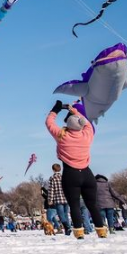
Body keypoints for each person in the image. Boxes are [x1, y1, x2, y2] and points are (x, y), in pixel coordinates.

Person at [46, 101, 106, 239]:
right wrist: (75, 112)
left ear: (68, 125)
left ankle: (79, 232)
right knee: (92, 204)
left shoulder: (62, 136)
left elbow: (49, 123)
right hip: (87, 173)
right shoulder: (87, 135)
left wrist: (55, 110)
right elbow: (87, 124)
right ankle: (101, 230)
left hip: (70, 174)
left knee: (74, 205)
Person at [45, 163, 71, 234]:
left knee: (61, 215)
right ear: (60, 169)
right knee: (66, 214)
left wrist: (50, 200)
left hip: (58, 199)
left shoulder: (52, 178)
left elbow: (51, 190)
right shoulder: (64, 177)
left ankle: (67, 227)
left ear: (53, 170)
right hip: (66, 198)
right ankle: (67, 229)